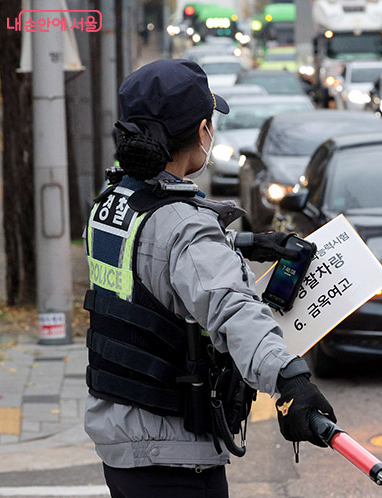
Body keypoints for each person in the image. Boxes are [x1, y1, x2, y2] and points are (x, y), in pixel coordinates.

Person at [83, 59, 336, 498]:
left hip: (123, 437)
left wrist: (242, 244)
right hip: (172, 454)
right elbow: (231, 307)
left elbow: (151, 265)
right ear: (202, 132)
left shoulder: (112, 203)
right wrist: (291, 379)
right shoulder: (183, 224)